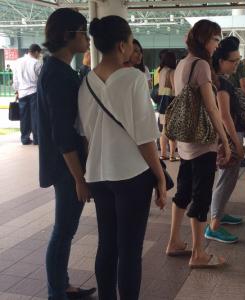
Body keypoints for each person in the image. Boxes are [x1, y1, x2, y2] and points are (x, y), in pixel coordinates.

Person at [77, 16, 166, 300]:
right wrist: (161, 177)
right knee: (130, 250)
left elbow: (87, 133)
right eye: (130, 42)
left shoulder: (86, 82)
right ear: (121, 45)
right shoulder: (134, 78)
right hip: (130, 175)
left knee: (107, 245)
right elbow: (144, 137)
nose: (131, 47)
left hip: (98, 174)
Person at [37, 8, 96, 300]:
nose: (86, 38)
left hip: (67, 164)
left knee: (65, 231)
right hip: (66, 167)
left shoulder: (60, 69)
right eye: (82, 31)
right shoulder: (57, 74)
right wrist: (79, 178)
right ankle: (56, 293)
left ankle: (62, 285)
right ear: (67, 35)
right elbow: (61, 134)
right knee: (63, 232)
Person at [165, 19, 230, 268]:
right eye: (215, 39)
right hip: (203, 142)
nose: (217, 45)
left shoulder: (183, 63)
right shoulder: (202, 65)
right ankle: (198, 254)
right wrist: (223, 139)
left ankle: (173, 241)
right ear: (205, 40)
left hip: (186, 141)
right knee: (200, 196)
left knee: (183, 191)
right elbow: (212, 108)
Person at [204, 36, 245, 244]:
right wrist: (235, 144)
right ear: (221, 61)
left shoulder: (220, 79)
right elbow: (224, 115)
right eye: (233, 61)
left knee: (225, 179)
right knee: (225, 180)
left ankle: (219, 213)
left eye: (238, 60)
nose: (237, 65)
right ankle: (214, 226)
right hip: (228, 137)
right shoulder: (219, 83)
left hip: (226, 136)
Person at [13, 44, 42, 145]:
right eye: (39, 54)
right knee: (35, 116)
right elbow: (40, 79)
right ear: (36, 52)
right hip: (34, 92)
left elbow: (15, 79)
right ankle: (37, 139)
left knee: (24, 116)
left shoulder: (17, 62)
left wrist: (16, 91)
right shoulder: (36, 63)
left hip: (22, 92)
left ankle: (24, 139)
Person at [157, 51, 179, 161]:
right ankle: (172, 155)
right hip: (171, 102)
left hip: (162, 102)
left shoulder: (160, 71)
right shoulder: (172, 71)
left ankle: (163, 154)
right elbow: (175, 89)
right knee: (172, 130)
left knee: (164, 130)